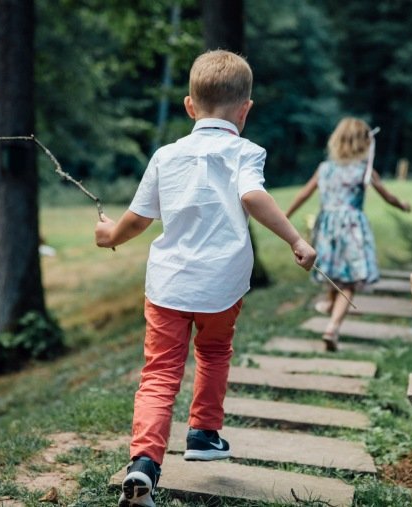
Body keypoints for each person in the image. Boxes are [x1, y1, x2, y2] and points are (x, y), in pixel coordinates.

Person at [95, 50, 316, 507]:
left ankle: (144, 465)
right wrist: (296, 239)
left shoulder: (166, 155)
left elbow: (138, 219)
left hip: (168, 285)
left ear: (189, 106)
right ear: (246, 109)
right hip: (221, 286)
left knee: (158, 374)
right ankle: (203, 434)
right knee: (214, 352)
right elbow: (253, 196)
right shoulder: (246, 152)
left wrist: (108, 236)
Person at [285, 117, 410, 352]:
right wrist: (402, 205)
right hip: (352, 229)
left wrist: (285, 215)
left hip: (327, 228)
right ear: (363, 144)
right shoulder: (364, 171)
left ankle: (331, 306)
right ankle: (332, 328)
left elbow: (303, 194)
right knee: (349, 281)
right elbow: (388, 197)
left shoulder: (325, 168)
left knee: (334, 274)